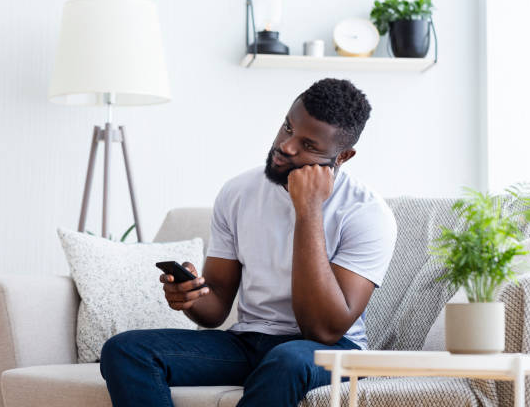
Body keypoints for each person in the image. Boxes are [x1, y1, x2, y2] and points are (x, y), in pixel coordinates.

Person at [99, 78, 398, 407]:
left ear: (342, 156)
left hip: (331, 353)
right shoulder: (239, 191)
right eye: (287, 127)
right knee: (126, 350)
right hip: (249, 342)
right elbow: (215, 311)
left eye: (308, 145)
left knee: (288, 360)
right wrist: (191, 297)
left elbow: (323, 329)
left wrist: (308, 211)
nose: (286, 146)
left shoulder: (367, 214)